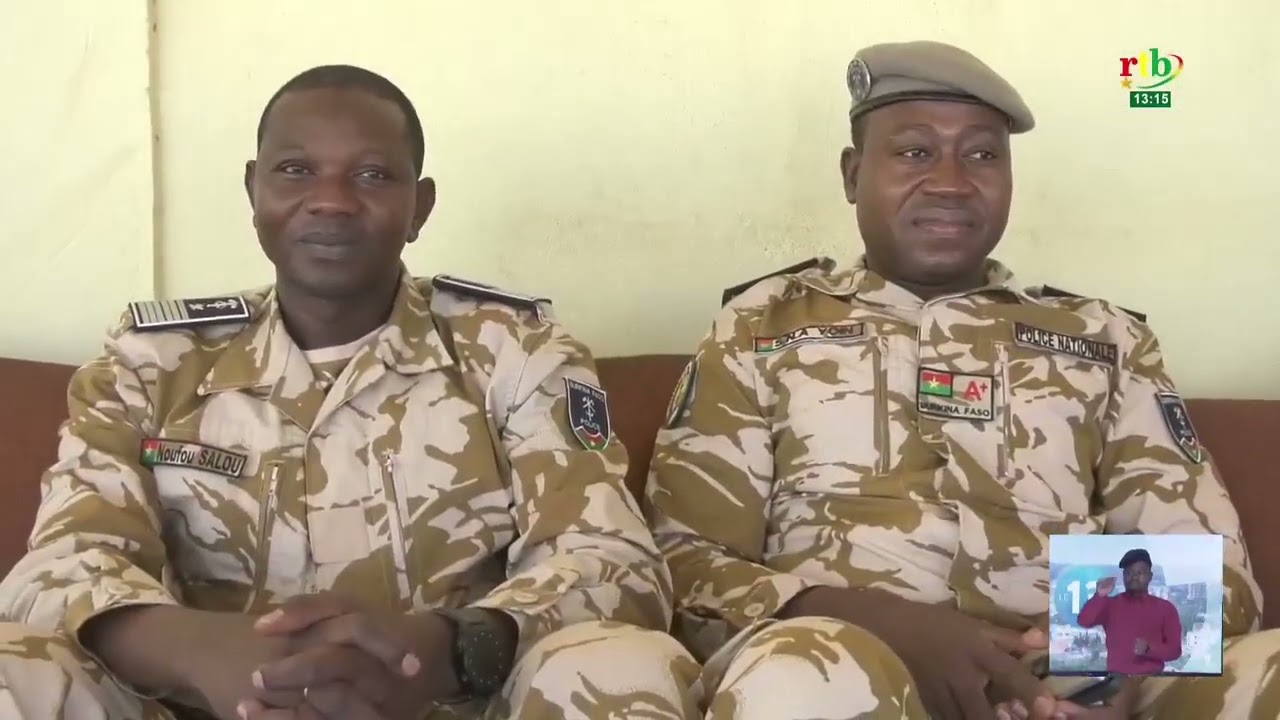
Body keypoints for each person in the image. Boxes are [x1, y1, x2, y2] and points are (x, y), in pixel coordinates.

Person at [0, 65, 699, 720]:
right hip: (202, 703)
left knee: (624, 662)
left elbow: (612, 562)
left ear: (419, 207)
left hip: (450, 700)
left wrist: (447, 649)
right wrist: (200, 651)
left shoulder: (517, 354)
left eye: (372, 174)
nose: (330, 199)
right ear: (253, 191)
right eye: (295, 170)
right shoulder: (150, 363)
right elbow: (62, 562)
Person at [645, 39, 1279, 720]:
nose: (950, 180)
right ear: (853, 174)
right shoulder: (760, 329)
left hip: (1067, 670)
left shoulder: (1105, 343)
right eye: (915, 151)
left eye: (982, 154)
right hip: (842, 658)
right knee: (799, 677)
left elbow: (1212, 565)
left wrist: (1100, 656)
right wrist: (871, 620)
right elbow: (685, 560)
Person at [1078, 549, 1183, 674]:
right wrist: (1100, 595)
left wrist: (1150, 649)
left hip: (1151, 679)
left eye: (1140, 572)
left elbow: (1175, 651)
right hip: (1116, 680)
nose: (1133, 577)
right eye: (1129, 573)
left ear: (1150, 576)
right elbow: (1084, 621)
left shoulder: (1166, 609)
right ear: (1123, 577)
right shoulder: (1111, 605)